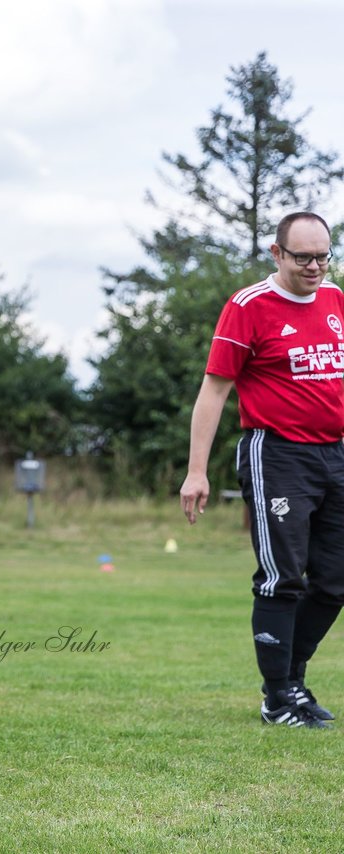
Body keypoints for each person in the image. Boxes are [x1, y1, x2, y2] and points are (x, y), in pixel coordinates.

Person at [181, 211, 344, 730]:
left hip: (335, 455)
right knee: (281, 578)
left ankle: (292, 681)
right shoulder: (248, 306)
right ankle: (278, 699)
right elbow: (214, 391)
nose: (315, 266)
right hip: (276, 455)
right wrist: (196, 472)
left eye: (323, 255)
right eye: (303, 257)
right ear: (277, 254)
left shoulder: (337, 300)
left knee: (336, 581)